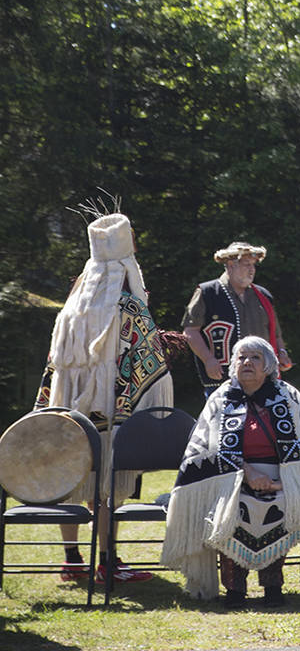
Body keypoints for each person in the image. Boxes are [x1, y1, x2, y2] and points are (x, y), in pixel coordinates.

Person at [35, 203, 173, 584]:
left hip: (67, 411)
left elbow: (53, 363)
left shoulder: (71, 308)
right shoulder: (128, 306)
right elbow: (149, 364)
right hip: (111, 410)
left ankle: (73, 558)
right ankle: (108, 561)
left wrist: (49, 405)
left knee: (72, 479)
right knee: (107, 482)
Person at [161, 336, 300, 606]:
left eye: (255, 357)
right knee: (231, 508)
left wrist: (281, 482)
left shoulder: (287, 396)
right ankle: (234, 589)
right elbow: (205, 448)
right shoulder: (221, 398)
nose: (247, 362)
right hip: (229, 478)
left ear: (269, 366)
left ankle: (273, 586)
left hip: (282, 478)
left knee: (284, 504)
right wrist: (248, 474)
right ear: (232, 364)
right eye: (241, 357)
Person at [182, 242, 293, 399]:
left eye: (253, 265)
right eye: (246, 264)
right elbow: (190, 331)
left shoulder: (263, 295)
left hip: (262, 380)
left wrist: (281, 353)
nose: (252, 269)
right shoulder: (207, 293)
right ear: (231, 265)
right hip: (223, 381)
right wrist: (208, 360)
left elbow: (276, 334)